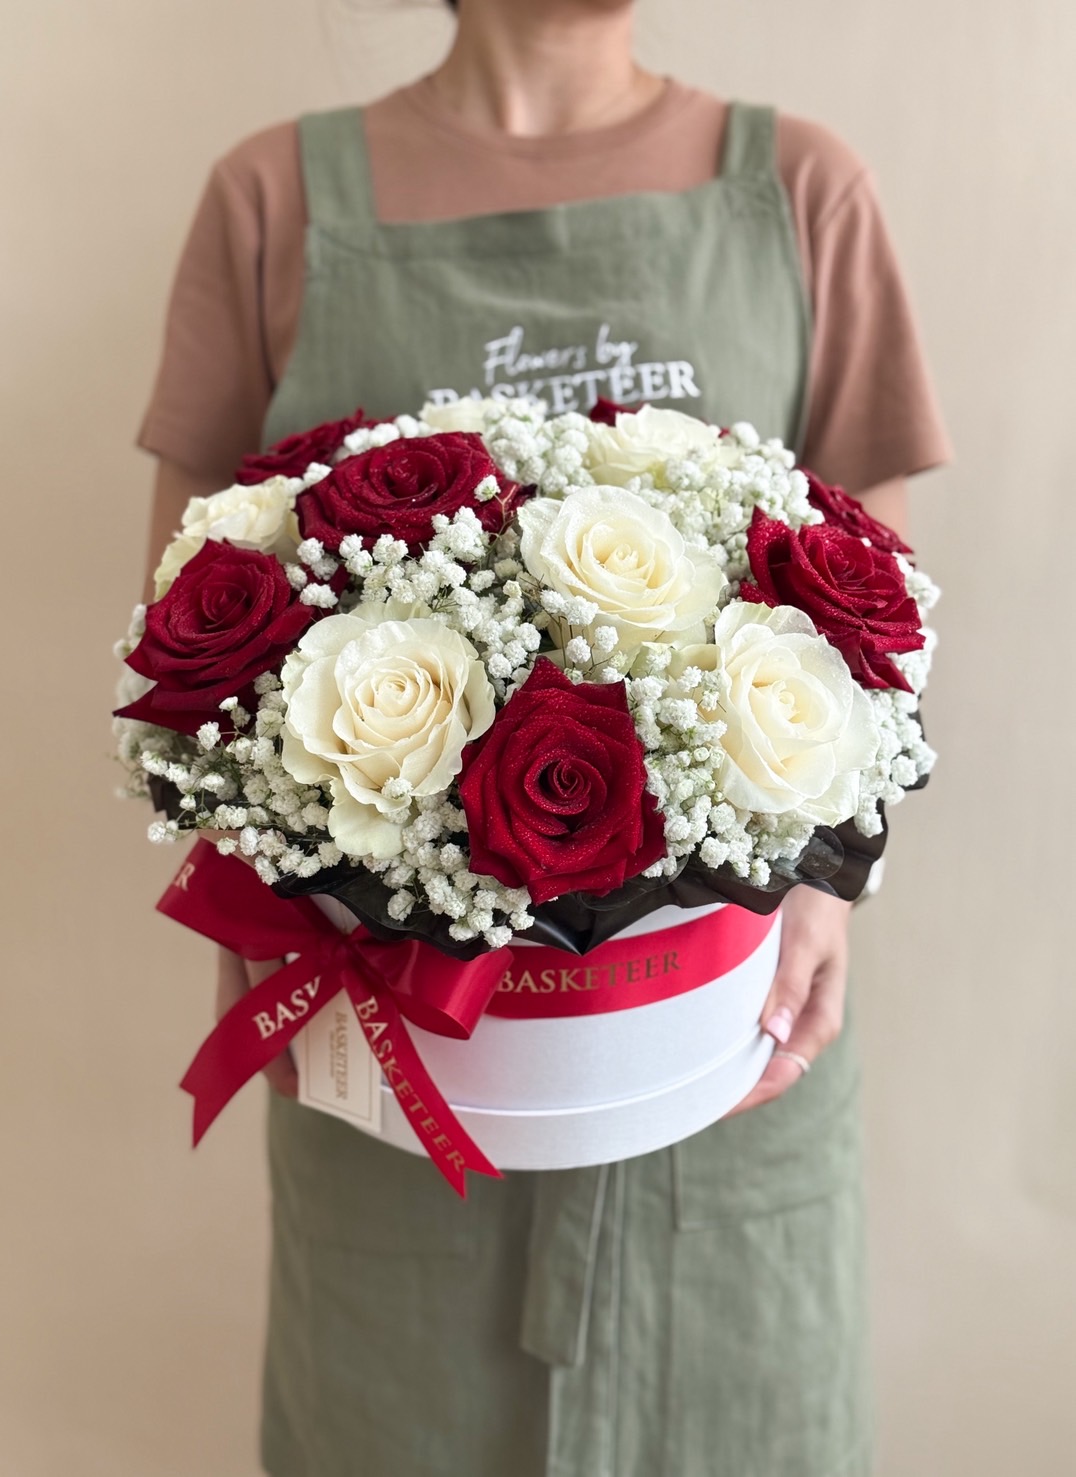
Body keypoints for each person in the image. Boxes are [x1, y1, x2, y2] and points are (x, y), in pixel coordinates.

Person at [138, 2, 950, 1473]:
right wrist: (245, 899)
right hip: (388, 1051)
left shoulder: (803, 191)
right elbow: (191, 628)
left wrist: (829, 877)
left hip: (718, 1046)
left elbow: (871, 612)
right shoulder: (272, 197)